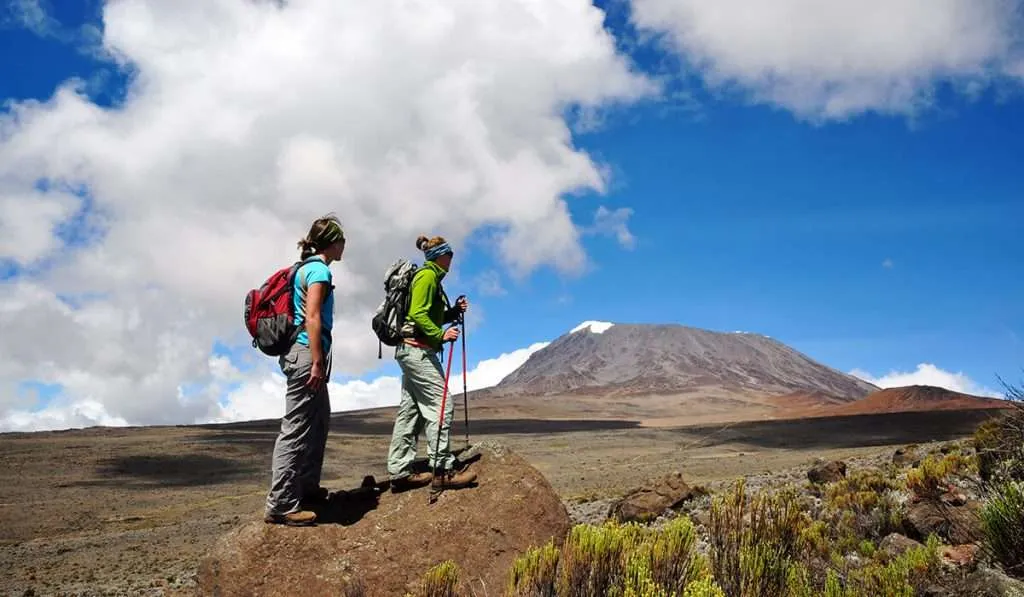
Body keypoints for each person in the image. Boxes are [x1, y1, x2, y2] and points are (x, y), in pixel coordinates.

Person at [264, 214, 346, 526]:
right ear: (333, 242)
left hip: (300, 353)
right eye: (342, 241)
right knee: (297, 428)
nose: (344, 247)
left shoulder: (305, 268)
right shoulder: (319, 270)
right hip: (304, 354)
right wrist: (316, 361)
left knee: (319, 419)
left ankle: (307, 487)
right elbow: (312, 317)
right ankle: (282, 504)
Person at [386, 234, 478, 492]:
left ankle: (400, 471)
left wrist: (452, 313)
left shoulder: (431, 278)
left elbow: (426, 314)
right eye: (450, 255)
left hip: (411, 351)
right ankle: (442, 470)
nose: (452, 260)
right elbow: (417, 314)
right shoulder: (427, 277)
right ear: (441, 255)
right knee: (441, 404)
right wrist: (441, 335)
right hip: (418, 351)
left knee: (411, 412)